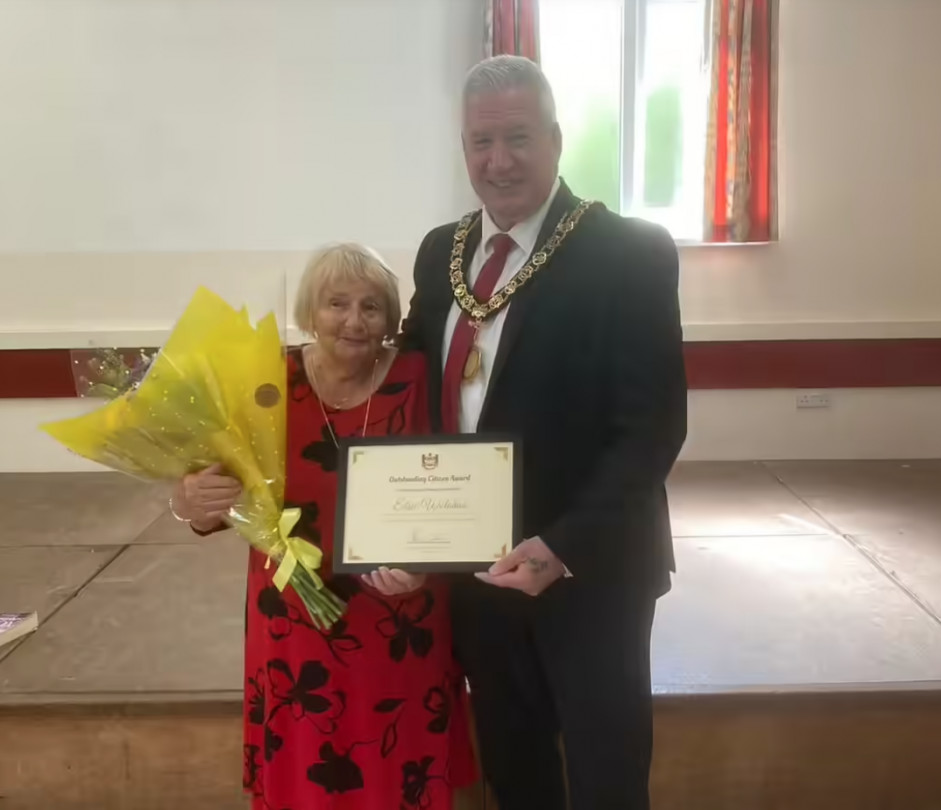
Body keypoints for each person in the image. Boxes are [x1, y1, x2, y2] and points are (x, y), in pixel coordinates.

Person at [399, 55, 687, 810]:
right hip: (478, 569)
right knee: (515, 769)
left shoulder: (628, 253)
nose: (499, 161)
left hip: (590, 573)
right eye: (480, 142)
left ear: (556, 140)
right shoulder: (442, 253)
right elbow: (399, 388)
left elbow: (651, 430)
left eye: (518, 137)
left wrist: (561, 548)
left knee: (605, 777)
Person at [170, 244, 477, 810]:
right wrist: (189, 502)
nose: (354, 321)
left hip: (399, 612)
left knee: (398, 766)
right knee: (306, 767)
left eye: (371, 307)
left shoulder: (418, 378)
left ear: (390, 320)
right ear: (311, 311)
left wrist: (429, 560)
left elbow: (458, 491)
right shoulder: (267, 382)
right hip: (293, 618)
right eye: (337, 304)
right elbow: (207, 489)